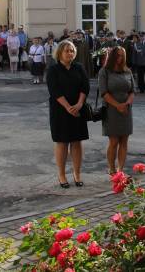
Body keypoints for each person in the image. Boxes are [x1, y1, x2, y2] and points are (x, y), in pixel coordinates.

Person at [46, 40, 89, 188]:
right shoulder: (53, 69)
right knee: (62, 142)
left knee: (77, 142)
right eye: (67, 51)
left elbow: (85, 87)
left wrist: (79, 104)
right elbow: (54, 90)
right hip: (60, 110)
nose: (70, 53)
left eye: (72, 50)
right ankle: (62, 175)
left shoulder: (79, 67)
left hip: (78, 109)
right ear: (60, 53)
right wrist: (68, 107)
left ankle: (77, 174)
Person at [99, 46, 135, 174]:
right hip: (111, 110)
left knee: (124, 141)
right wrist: (118, 105)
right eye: (118, 55)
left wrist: (127, 103)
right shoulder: (104, 71)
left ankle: (121, 170)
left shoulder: (128, 71)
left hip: (126, 110)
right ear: (113, 56)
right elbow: (104, 93)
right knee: (113, 141)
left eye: (122, 56)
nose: (120, 58)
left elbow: (132, 91)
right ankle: (112, 169)